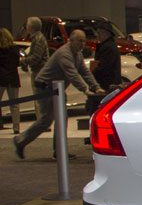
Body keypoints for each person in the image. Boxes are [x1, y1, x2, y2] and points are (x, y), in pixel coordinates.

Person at [13, 29, 105, 159]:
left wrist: (96, 87)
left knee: (60, 118)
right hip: (46, 88)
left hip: (57, 89)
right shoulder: (64, 53)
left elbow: (84, 72)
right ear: (71, 40)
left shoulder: (76, 54)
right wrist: (85, 89)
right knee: (47, 120)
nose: (82, 44)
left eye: (84, 41)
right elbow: (72, 74)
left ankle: (58, 150)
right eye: (80, 41)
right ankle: (21, 140)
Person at [86, 26, 121, 115]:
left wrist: (92, 76)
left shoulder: (108, 47)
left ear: (106, 33)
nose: (98, 36)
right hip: (107, 83)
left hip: (106, 84)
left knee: (97, 107)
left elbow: (104, 67)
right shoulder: (108, 46)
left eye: (99, 33)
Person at [22, 16, 48, 119]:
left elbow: (36, 57)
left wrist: (23, 60)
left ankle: (42, 122)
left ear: (31, 27)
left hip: (39, 72)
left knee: (40, 99)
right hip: (39, 71)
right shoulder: (37, 38)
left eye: (27, 24)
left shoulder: (38, 39)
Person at [0, 28, 21, 134]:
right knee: (14, 105)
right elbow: (17, 63)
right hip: (13, 78)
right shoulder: (15, 49)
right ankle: (16, 127)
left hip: (1, 78)